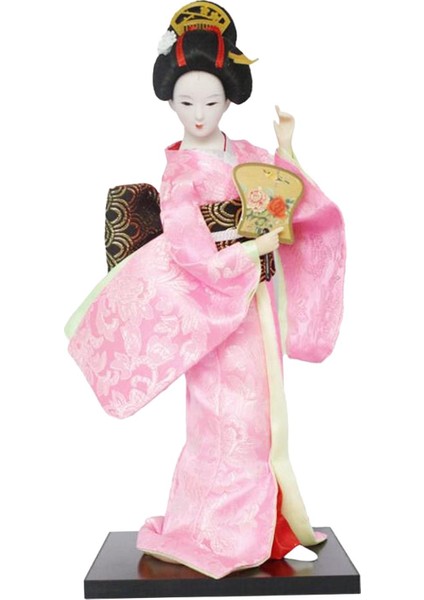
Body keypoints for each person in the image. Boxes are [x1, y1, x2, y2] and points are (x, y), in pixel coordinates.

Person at [65, 1, 345, 579]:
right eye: (187, 102)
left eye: (211, 103)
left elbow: (286, 191)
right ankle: (216, 531)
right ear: (170, 100)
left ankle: (262, 526)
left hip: (256, 305)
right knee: (223, 420)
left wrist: (287, 147)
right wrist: (248, 249)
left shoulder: (246, 155)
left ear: (229, 99)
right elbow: (192, 251)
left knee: (264, 418)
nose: (198, 115)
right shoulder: (180, 174)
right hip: (214, 309)